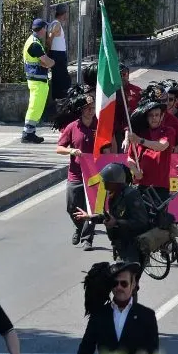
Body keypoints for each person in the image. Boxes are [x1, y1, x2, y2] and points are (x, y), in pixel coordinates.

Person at [72, 261, 159, 354]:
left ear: (133, 285)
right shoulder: (99, 316)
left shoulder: (146, 316)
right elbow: (85, 353)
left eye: (124, 283)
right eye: (115, 283)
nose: (119, 287)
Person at [73, 163, 153, 265]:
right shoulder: (114, 194)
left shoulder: (131, 195)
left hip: (132, 247)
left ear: (116, 182)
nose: (104, 183)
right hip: (120, 245)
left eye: (106, 181)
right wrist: (90, 217)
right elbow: (110, 218)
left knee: (124, 278)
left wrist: (117, 222)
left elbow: (141, 222)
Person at [56, 85, 101, 250]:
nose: (90, 111)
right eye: (87, 108)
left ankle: (87, 239)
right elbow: (59, 147)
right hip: (75, 174)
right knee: (71, 206)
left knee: (91, 206)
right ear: (81, 110)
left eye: (92, 108)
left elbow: (108, 145)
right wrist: (71, 150)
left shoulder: (99, 125)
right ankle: (78, 226)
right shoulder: (72, 127)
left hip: (94, 174)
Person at [127, 90, 178, 201]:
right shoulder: (141, 133)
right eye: (151, 115)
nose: (154, 118)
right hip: (141, 185)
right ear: (146, 117)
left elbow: (161, 146)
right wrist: (135, 170)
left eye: (156, 115)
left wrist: (140, 140)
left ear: (162, 116)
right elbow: (130, 157)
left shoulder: (168, 131)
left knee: (160, 218)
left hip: (160, 187)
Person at [22, 19, 55, 144]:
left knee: (37, 106)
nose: (46, 31)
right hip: (37, 80)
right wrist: (52, 62)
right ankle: (28, 133)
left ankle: (30, 132)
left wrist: (46, 62)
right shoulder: (34, 44)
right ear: (41, 29)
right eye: (45, 28)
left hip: (38, 79)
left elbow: (42, 61)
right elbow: (46, 61)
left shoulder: (33, 41)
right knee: (35, 107)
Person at [114, 63, 142, 154]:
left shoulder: (137, 91)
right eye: (119, 75)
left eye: (124, 74)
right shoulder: (112, 93)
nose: (122, 77)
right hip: (117, 130)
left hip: (134, 128)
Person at [47, 3, 72, 101]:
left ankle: (59, 98)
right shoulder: (56, 24)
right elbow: (49, 38)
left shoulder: (56, 23)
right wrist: (50, 50)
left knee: (61, 78)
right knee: (62, 79)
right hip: (58, 54)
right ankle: (59, 99)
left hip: (58, 53)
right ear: (64, 13)